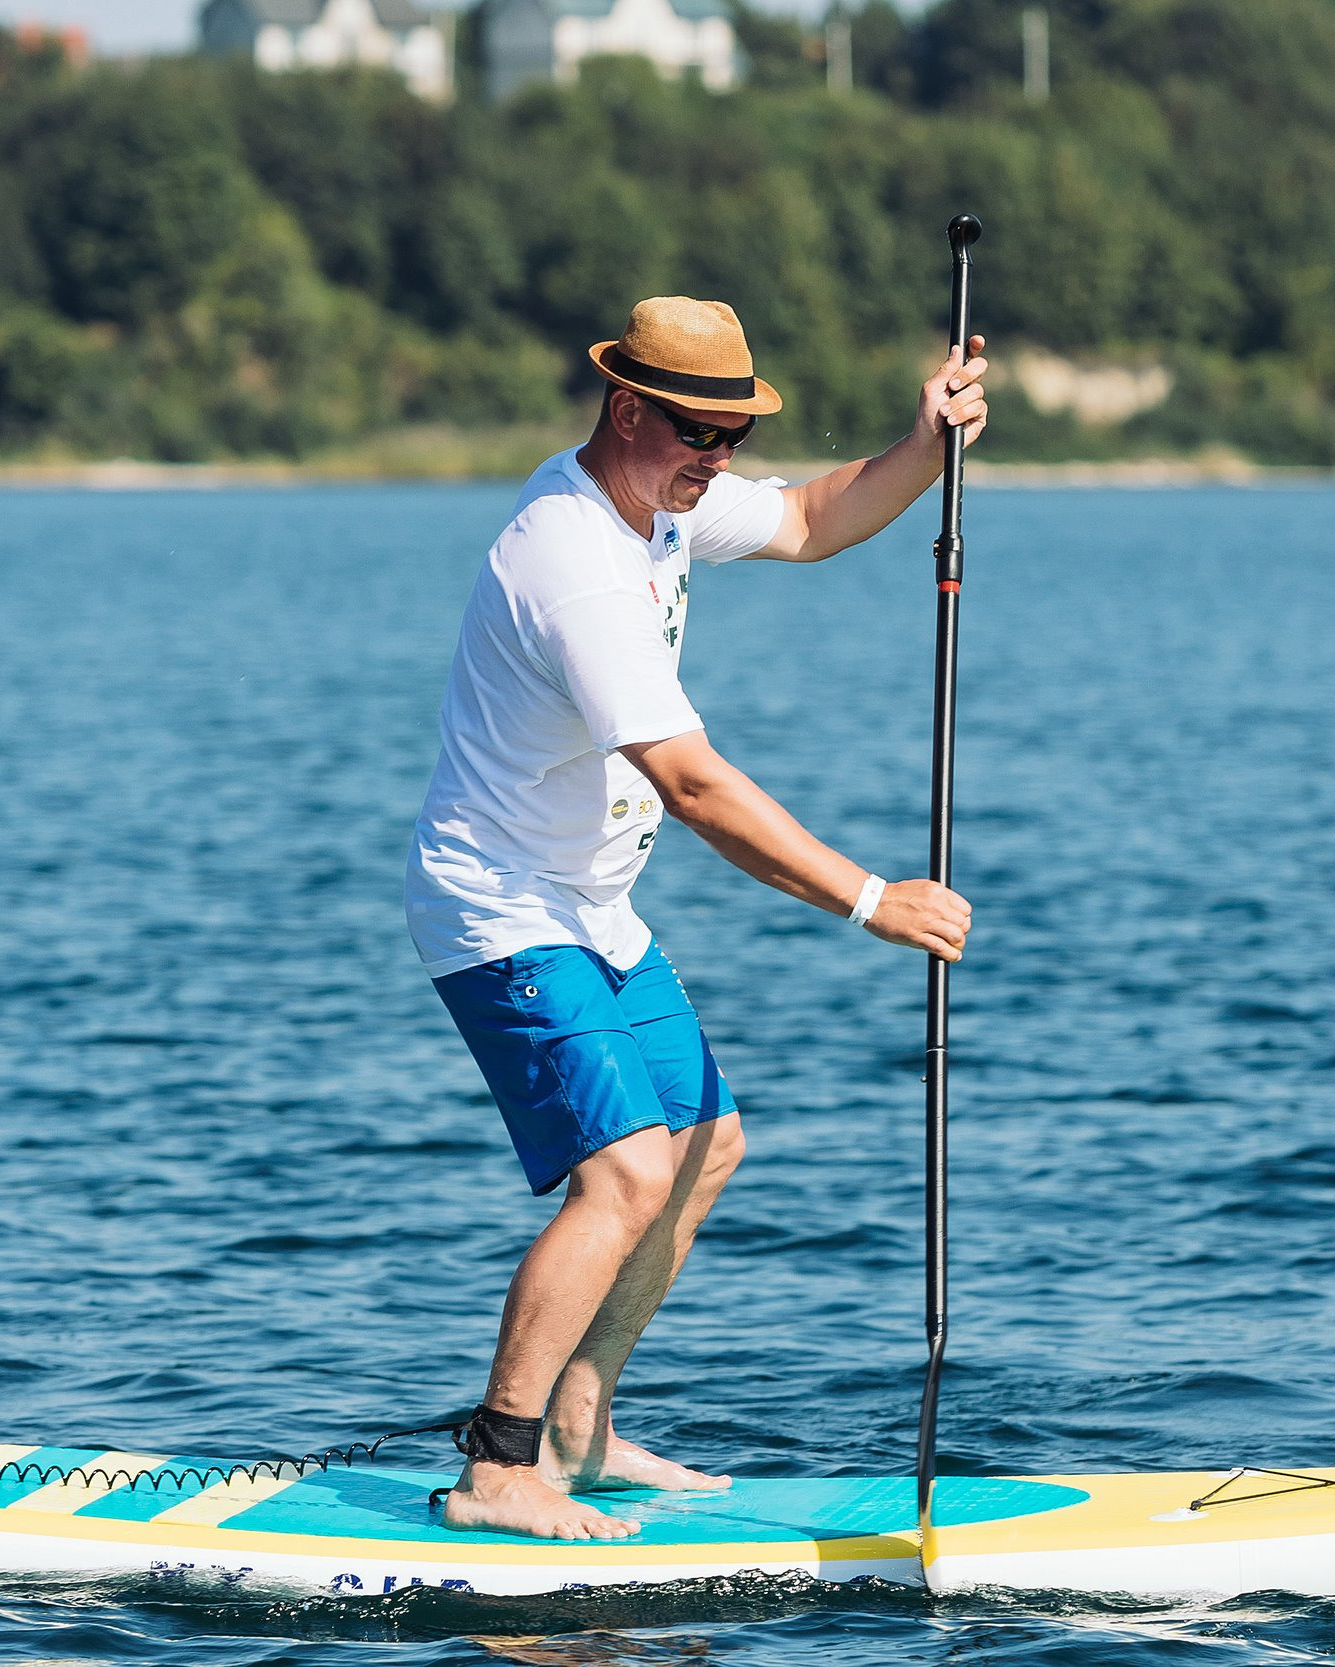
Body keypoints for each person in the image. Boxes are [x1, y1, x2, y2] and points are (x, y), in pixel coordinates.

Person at [406, 295, 990, 1541]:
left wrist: (924, 442)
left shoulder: (666, 496)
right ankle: (497, 1465)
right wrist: (869, 898)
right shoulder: (569, 561)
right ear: (626, 407)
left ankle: (580, 1421)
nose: (715, 457)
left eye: (731, 433)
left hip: (593, 903)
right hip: (501, 906)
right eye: (694, 432)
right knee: (622, 1173)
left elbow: (811, 516)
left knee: (706, 1142)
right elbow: (694, 782)